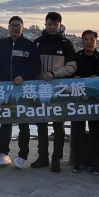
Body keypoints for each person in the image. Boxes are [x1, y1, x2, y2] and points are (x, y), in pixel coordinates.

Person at [32, 11, 77, 172]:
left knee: (59, 125)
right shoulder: (37, 42)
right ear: (45, 24)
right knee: (41, 124)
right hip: (41, 90)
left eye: (55, 24)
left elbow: (72, 66)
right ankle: (42, 156)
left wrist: (54, 74)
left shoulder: (66, 44)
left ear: (60, 25)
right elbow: (30, 65)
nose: (52, 27)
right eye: (49, 24)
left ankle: (56, 158)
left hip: (59, 90)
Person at [0, 16, 40, 169]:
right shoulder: (1, 44)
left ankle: (22, 156)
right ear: (8, 27)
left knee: (24, 123)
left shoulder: (29, 45)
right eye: (13, 25)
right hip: (6, 90)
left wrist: (24, 77)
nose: (15, 28)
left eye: (18, 25)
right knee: (5, 122)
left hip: (23, 90)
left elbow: (35, 66)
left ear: (23, 28)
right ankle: (3, 153)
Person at [70, 30, 99, 174]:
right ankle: (77, 162)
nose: (88, 42)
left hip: (95, 103)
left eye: (91, 39)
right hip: (78, 101)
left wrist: (98, 79)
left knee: (94, 133)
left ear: (96, 41)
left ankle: (94, 164)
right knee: (78, 133)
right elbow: (67, 76)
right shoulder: (75, 58)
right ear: (82, 41)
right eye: (85, 39)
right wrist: (72, 79)